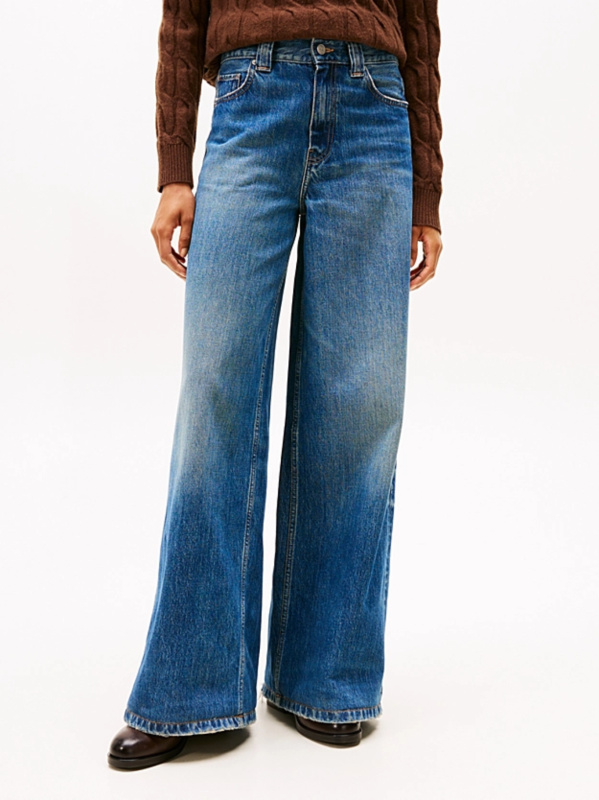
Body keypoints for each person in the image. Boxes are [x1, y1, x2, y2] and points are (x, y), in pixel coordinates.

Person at [108, 0, 443, 770]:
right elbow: (183, 16)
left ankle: (323, 679)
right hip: (252, 102)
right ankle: (193, 687)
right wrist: (173, 168)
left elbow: (420, 28)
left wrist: (426, 190)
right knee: (215, 400)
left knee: (357, 408)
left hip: (374, 112)